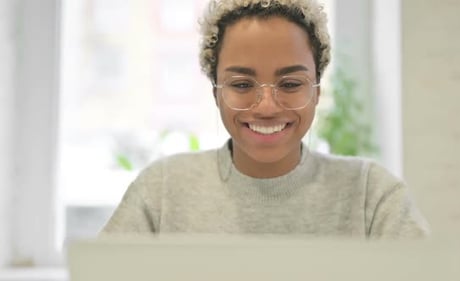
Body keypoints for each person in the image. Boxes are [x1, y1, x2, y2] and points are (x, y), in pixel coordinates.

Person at [101, 0, 430, 238]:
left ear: (316, 91)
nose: (267, 106)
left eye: (290, 84)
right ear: (216, 92)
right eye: (242, 85)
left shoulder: (372, 196)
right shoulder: (161, 191)